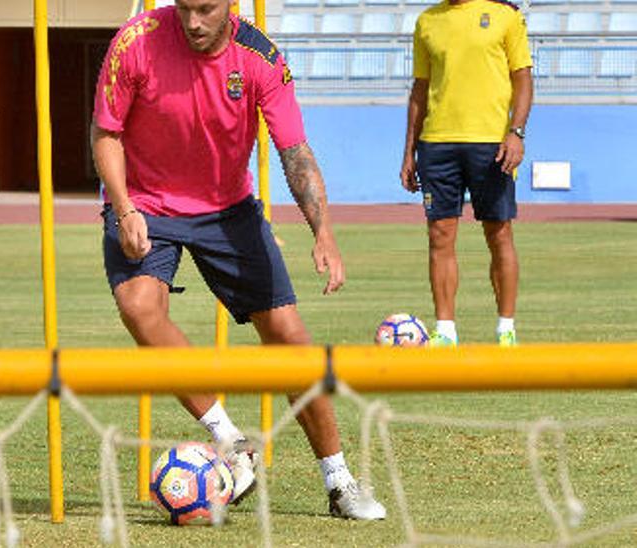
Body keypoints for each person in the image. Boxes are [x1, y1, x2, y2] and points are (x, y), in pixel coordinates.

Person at [92, 0, 385, 520]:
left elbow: (294, 151)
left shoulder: (260, 56)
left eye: (205, 10)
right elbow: (106, 132)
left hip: (227, 211)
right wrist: (124, 207)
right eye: (185, 8)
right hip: (145, 203)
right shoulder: (134, 42)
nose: (193, 22)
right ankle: (229, 441)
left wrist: (324, 231)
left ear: (231, 5)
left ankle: (340, 482)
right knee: (139, 306)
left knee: (290, 340)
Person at [400, 0, 533, 347]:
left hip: (491, 143)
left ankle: (506, 327)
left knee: (499, 233)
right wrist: (408, 152)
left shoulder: (506, 16)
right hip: (437, 144)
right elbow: (420, 90)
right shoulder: (428, 20)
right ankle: (445, 331)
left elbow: (522, 80)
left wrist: (516, 133)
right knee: (440, 235)